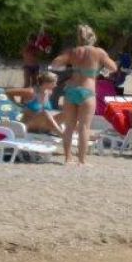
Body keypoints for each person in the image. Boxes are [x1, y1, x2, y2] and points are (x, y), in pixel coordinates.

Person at [50, 23, 117, 166]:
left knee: (69, 126)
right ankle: (82, 160)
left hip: (71, 89)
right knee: (84, 127)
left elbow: (55, 64)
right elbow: (113, 67)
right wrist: (100, 71)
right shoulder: (99, 52)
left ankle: (68, 158)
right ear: (93, 38)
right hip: (87, 90)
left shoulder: (73, 51)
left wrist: (68, 66)